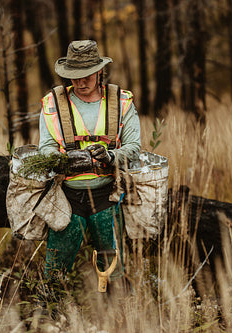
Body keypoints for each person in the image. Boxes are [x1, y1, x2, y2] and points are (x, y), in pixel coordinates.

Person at [38, 40, 141, 287]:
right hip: (67, 199)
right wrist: (61, 160)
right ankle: (48, 315)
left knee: (114, 269)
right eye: (74, 76)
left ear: (98, 72)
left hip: (109, 196)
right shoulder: (53, 104)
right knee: (54, 270)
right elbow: (46, 147)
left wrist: (110, 156)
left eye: (86, 75)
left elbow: (134, 148)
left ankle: (117, 315)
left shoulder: (120, 101)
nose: (81, 82)